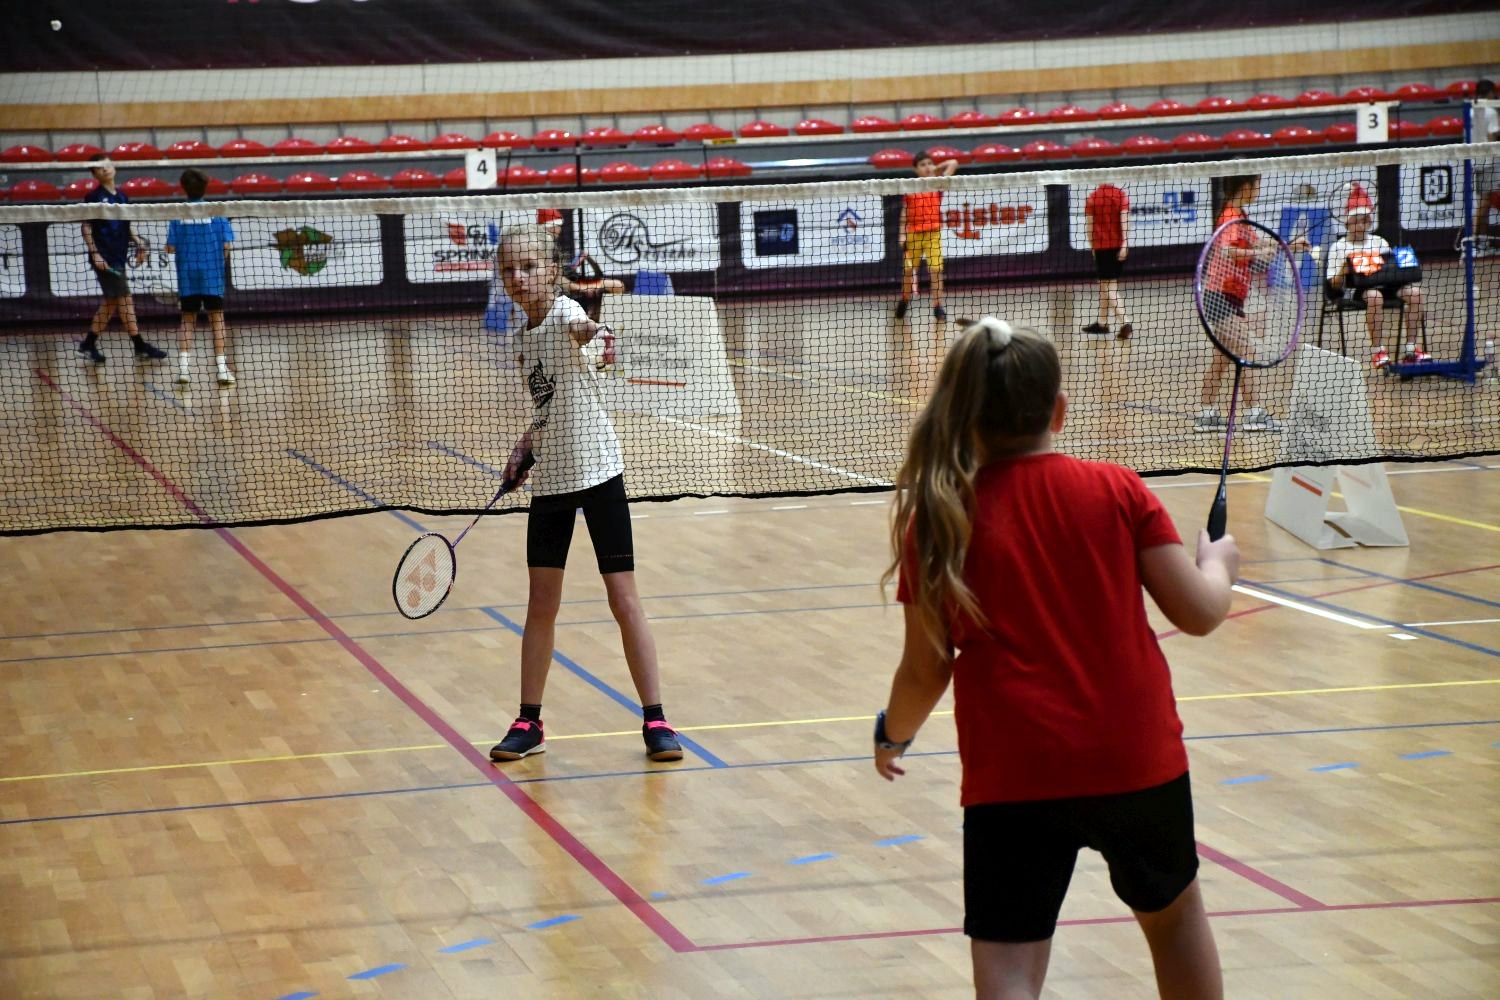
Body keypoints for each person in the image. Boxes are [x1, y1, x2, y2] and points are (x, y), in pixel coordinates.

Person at [873, 317, 1238, 1000]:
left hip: (1014, 774)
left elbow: (925, 670)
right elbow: (1199, 612)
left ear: (966, 420)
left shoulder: (940, 520)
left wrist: (892, 734)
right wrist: (1218, 565)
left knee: (1009, 967)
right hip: (1135, 759)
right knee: (1174, 921)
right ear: (1059, 411)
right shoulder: (1118, 490)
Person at [488, 223, 681, 763]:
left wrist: (597, 339)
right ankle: (529, 722)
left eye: (529, 267)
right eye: (509, 270)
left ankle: (656, 719)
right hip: (551, 480)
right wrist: (525, 446)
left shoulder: (564, 314)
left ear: (552, 271)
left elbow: (588, 334)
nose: (519, 278)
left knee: (623, 599)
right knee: (541, 603)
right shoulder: (522, 340)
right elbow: (548, 406)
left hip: (598, 474)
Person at [1193, 175, 1298, 434]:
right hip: (1219, 296)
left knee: (1221, 359)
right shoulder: (1230, 216)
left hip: (1231, 297)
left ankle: (1205, 414)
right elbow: (1228, 249)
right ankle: (1254, 415)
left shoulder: (1240, 215)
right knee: (1247, 351)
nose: (1259, 189)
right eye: (1257, 185)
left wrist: (1289, 246)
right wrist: (1257, 253)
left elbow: (1259, 242)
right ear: (1246, 187)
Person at [77, 155, 168, 365]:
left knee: (111, 303)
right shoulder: (93, 197)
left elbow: (127, 225)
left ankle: (88, 344)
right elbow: (86, 226)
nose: (105, 169)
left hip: (118, 256)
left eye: (107, 165)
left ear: (114, 167)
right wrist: (95, 254)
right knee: (125, 300)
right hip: (104, 258)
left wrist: (139, 243)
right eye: (100, 168)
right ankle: (140, 346)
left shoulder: (123, 196)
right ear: (94, 173)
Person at [1324, 202, 1427, 367]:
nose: (1360, 226)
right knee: (1375, 296)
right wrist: (1343, 271)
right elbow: (1334, 286)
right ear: (1347, 223)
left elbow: (1390, 269)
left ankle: (1411, 349)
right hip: (1356, 290)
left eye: (1364, 221)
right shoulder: (1338, 247)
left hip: (1387, 286)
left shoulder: (1379, 241)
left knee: (1415, 293)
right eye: (1356, 222)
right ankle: (1378, 351)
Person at [165, 168, 236, 385]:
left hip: (188, 276)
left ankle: (184, 370)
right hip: (212, 276)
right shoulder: (217, 214)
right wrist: (217, 261)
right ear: (206, 187)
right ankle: (222, 369)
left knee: (188, 320)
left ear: (183, 187)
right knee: (217, 319)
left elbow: (170, 248)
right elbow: (227, 246)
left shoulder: (179, 214)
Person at [895, 151, 959, 322]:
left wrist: (935, 169)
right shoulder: (910, 187)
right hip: (913, 235)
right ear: (915, 169)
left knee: (936, 270)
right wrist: (902, 235)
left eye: (930, 163)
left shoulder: (938, 183)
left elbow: (953, 162)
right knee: (908, 271)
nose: (927, 167)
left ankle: (937, 306)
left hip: (933, 234)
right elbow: (904, 213)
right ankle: (904, 299)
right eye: (923, 165)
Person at [1081, 182, 1133, 339]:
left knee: (1109, 286)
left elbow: (1089, 227)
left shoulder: (1093, 198)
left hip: (1102, 248)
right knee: (1106, 284)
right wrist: (1125, 243)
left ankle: (1125, 322)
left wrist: (1093, 247)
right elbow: (1125, 219)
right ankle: (1102, 323)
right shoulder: (1121, 195)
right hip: (1118, 247)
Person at [1473, 79, 1498, 255]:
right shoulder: (1490, 111)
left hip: (1474, 159)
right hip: (1487, 161)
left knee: (1485, 202)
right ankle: (1473, 243)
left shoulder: (1471, 110)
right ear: (1489, 93)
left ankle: (1482, 243)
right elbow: (1492, 137)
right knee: (1484, 202)